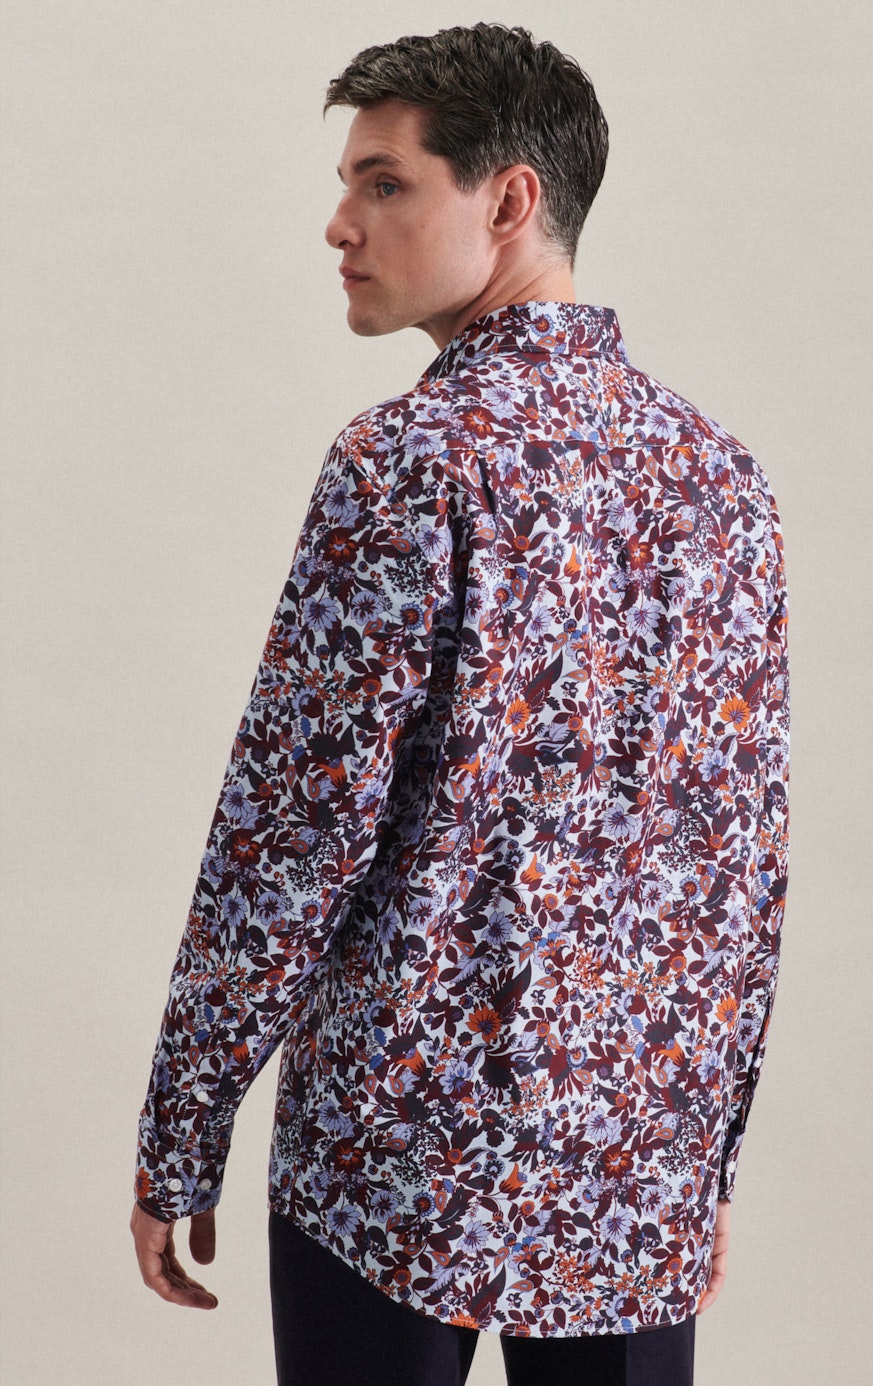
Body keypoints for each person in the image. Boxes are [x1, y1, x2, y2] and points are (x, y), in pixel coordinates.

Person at [130, 22, 790, 1386]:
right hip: (631, 1147)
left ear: (509, 200)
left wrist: (181, 1132)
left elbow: (292, 837)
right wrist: (704, 1154)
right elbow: (742, 858)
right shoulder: (722, 477)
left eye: (385, 183)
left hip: (397, 1151)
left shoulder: (409, 462)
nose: (340, 224)